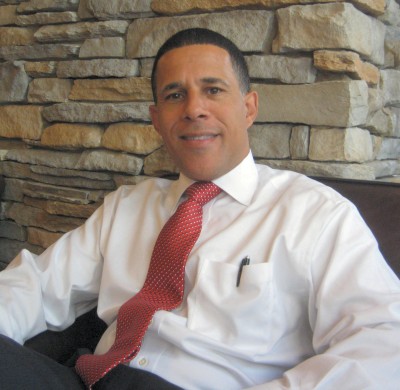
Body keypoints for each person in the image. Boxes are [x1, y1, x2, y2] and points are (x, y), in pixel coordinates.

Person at [0, 28, 399, 390]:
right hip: (88, 379)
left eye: (213, 90)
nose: (194, 109)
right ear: (157, 119)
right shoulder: (126, 206)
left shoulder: (316, 214)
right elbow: (38, 285)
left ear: (249, 108)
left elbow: (384, 340)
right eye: (175, 95)